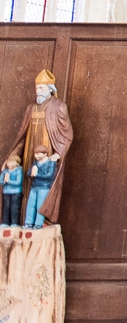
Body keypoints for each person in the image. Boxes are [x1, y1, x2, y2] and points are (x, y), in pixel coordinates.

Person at [3, 69, 74, 226]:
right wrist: (13, 155)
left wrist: (58, 153)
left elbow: (67, 134)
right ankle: (25, 221)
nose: (38, 91)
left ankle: (42, 221)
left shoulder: (58, 107)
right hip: (30, 152)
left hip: (47, 154)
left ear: (50, 89)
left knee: (44, 187)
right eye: (36, 88)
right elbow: (22, 135)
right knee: (28, 184)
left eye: (41, 88)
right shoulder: (31, 108)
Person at [24, 145, 58, 229]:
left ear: (45, 154)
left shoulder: (51, 163)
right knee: (30, 205)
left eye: (38, 154)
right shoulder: (35, 163)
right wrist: (31, 173)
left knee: (40, 206)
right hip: (34, 186)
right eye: (35, 154)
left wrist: (36, 174)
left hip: (44, 187)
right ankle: (28, 222)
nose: (36, 156)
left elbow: (49, 176)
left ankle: (38, 223)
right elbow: (29, 173)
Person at [1, 154, 22, 226]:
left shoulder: (18, 170)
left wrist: (8, 181)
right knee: (6, 207)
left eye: (12, 162)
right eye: (9, 162)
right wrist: (4, 181)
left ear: (17, 163)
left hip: (16, 192)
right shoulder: (5, 171)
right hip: (6, 192)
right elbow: (1, 181)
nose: (10, 164)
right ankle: (5, 222)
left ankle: (14, 222)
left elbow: (18, 182)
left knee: (14, 208)